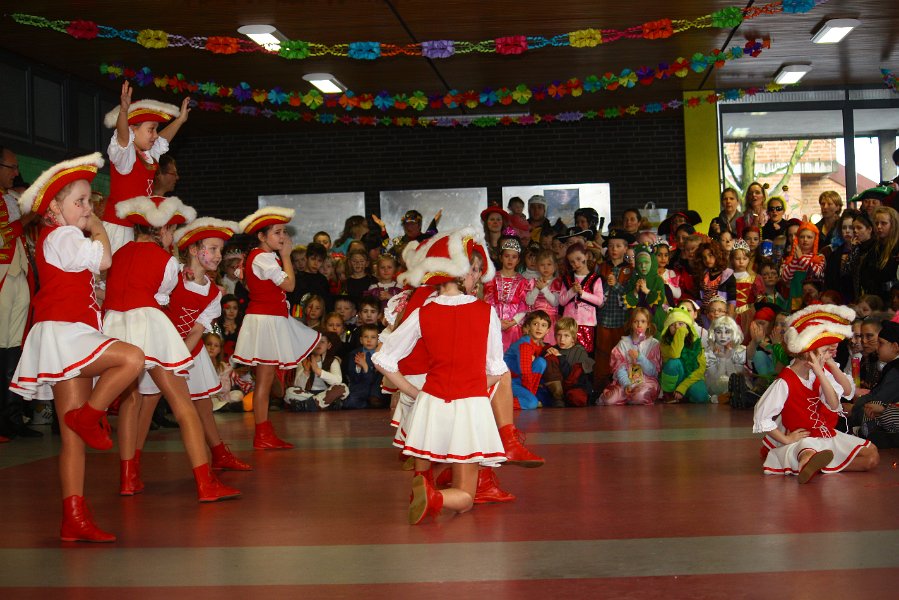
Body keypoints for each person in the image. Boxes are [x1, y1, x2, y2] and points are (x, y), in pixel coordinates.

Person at [10, 153, 145, 541]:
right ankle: (90, 415)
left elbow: (82, 278)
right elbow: (105, 260)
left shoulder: (58, 238)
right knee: (132, 358)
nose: (88, 208)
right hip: (66, 333)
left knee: (71, 440)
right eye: (80, 202)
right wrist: (99, 225)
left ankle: (73, 518)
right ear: (54, 208)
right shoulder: (64, 236)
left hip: (67, 334)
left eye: (90, 201)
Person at [102, 194, 240, 502]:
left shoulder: (119, 253)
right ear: (162, 228)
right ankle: (205, 482)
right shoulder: (166, 261)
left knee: (131, 402)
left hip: (117, 329)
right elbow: (160, 299)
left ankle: (128, 478)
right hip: (151, 329)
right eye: (171, 229)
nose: (172, 237)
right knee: (183, 406)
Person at [373, 227, 509, 524]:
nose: (476, 277)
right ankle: (435, 498)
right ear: (461, 273)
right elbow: (497, 370)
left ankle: (423, 493)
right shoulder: (486, 312)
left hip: (431, 403)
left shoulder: (424, 312)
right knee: (466, 497)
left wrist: (415, 392)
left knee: (424, 461)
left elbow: (383, 359)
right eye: (474, 271)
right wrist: (472, 387)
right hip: (470, 405)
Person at [134, 217, 252, 474]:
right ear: (193, 249)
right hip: (160, 348)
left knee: (203, 405)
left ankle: (220, 453)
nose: (219, 255)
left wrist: (181, 356)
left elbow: (198, 329)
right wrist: (168, 355)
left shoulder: (214, 293)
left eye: (220, 250)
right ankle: (131, 465)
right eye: (213, 248)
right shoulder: (172, 274)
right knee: (148, 404)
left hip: (189, 350)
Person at [753, 305, 879, 482]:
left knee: (872, 456)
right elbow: (761, 416)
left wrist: (820, 373)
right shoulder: (784, 382)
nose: (829, 355)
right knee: (807, 453)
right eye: (825, 351)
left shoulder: (817, 374)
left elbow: (834, 404)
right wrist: (786, 439)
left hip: (825, 434)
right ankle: (807, 463)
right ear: (810, 353)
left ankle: (819, 466)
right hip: (804, 439)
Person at [232, 206, 321, 449]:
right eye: (277, 232)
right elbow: (289, 285)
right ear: (262, 236)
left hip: (268, 318)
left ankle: (264, 432)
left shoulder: (258, 256)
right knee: (264, 381)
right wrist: (287, 256)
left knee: (266, 379)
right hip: (266, 321)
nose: (283, 237)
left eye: (284, 232)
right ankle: (261, 435)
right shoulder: (263, 257)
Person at [103, 81, 189, 253]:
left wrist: (179, 120)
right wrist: (123, 112)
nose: (155, 135)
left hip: (137, 230)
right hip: (119, 229)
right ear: (132, 130)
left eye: (156, 130)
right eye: (151, 130)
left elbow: (162, 140)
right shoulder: (125, 157)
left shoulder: (146, 155)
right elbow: (123, 137)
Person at [0, 145, 39, 440]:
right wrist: (26, 220)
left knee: (15, 346)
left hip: (19, 275)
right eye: (11, 167)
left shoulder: (12, 199)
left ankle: (13, 417)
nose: (16, 172)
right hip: (3, 276)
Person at [600, 308, 660, 405]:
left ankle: (634, 397)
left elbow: (653, 372)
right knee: (609, 400)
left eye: (643, 321)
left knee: (640, 396)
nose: (639, 325)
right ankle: (628, 396)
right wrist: (626, 384)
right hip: (627, 381)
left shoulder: (653, 344)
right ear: (631, 323)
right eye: (636, 321)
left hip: (646, 382)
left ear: (648, 324)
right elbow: (619, 369)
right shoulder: (623, 344)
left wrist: (640, 357)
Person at [855, 320, 899, 448]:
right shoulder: (890, 366)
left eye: (881, 343)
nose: (877, 347)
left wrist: (855, 408)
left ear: (895, 347)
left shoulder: (896, 371)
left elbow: (879, 400)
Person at [484, 236, 532, 350]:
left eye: (514, 257)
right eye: (507, 256)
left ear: (518, 260)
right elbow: (488, 301)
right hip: (495, 322)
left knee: (513, 352)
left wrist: (512, 322)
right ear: (501, 257)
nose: (510, 260)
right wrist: (497, 321)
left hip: (514, 326)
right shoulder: (492, 279)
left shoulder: (523, 281)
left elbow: (524, 305)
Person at [284, 332, 348, 411]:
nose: (319, 344)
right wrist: (306, 371)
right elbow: (298, 385)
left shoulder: (333, 360)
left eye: (322, 342)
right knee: (289, 392)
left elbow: (337, 380)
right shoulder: (304, 360)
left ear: (329, 345)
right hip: (308, 393)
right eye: (316, 341)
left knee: (343, 388)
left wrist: (318, 370)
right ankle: (323, 404)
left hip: (327, 392)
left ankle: (307, 405)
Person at [503, 311, 551, 410]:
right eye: (535, 324)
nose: (539, 328)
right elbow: (525, 373)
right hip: (508, 381)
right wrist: (530, 396)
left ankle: (528, 397)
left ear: (547, 330)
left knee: (541, 362)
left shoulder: (537, 345)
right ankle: (494, 403)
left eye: (543, 325)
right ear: (528, 327)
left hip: (518, 380)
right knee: (531, 402)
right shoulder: (525, 344)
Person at [542, 317, 595, 407]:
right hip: (556, 387)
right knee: (550, 357)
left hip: (574, 385)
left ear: (573, 338)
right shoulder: (553, 349)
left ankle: (563, 399)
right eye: (559, 335)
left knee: (577, 398)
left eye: (566, 336)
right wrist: (547, 353)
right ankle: (558, 397)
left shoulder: (579, 351)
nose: (562, 339)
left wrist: (560, 357)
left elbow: (572, 377)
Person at [660, 306, 708, 403]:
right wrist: (681, 333)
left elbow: (701, 368)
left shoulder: (696, 343)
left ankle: (684, 395)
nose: (677, 327)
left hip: (691, 378)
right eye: (672, 325)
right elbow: (675, 354)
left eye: (681, 324)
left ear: (688, 326)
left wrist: (683, 387)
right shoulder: (665, 344)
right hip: (675, 378)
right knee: (673, 363)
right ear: (668, 328)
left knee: (701, 397)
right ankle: (669, 394)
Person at [780, 221, 825, 312]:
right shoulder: (789, 259)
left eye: (809, 237)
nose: (805, 240)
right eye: (802, 237)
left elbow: (816, 274)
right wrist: (795, 259)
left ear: (815, 239)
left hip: (813, 300)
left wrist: (801, 258)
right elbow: (785, 278)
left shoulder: (819, 257)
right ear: (798, 238)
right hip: (794, 299)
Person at [704, 316, 746, 403]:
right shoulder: (709, 353)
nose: (723, 336)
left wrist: (728, 359)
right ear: (713, 333)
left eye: (727, 332)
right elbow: (715, 378)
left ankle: (730, 397)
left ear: (733, 333)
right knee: (724, 382)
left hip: (734, 385)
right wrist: (723, 359)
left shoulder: (739, 351)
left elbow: (736, 378)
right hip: (714, 385)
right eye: (719, 332)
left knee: (740, 384)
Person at [343, 323, 383, 409]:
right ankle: (365, 405)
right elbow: (352, 377)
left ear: (378, 340)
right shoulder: (354, 354)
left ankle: (372, 401)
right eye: (366, 337)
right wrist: (358, 367)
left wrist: (365, 366)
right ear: (361, 340)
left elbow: (376, 378)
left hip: (375, 390)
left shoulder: (381, 355)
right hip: (360, 388)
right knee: (351, 402)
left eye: (373, 337)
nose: (369, 340)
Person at [525, 249, 560, 345]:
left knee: (547, 346)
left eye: (549, 264)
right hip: (535, 320)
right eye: (542, 265)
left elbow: (555, 302)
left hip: (549, 320)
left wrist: (544, 289)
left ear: (555, 266)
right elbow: (529, 301)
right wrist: (537, 288)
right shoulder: (533, 281)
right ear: (537, 267)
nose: (545, 268)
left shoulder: (556, 282)